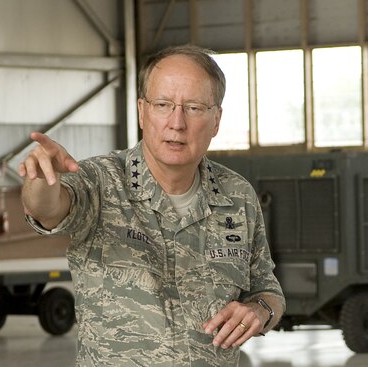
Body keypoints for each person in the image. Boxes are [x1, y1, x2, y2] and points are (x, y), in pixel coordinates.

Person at [18, 44, 285, 366]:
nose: (177, 122)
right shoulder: (102, 181)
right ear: (143, 112)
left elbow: (267, 289)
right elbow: (48, 209)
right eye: (163, 105)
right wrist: (40, 179)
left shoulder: (237, 196)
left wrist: (260, 310)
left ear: (216, 120)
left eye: (195, 108)